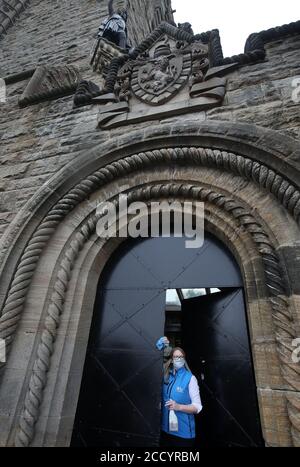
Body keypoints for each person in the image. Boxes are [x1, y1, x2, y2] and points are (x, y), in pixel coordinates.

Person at [156, 336, 202, 448]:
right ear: (171, 358)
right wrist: (160, 345)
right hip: (165, 431)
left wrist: (179, 407)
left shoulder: (190, 378)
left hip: (183, 435)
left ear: (184, 359)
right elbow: (155, 360)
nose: (178, 359)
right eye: (175, 356)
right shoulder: (167, 375)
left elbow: (197, 407)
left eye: (181, 357)